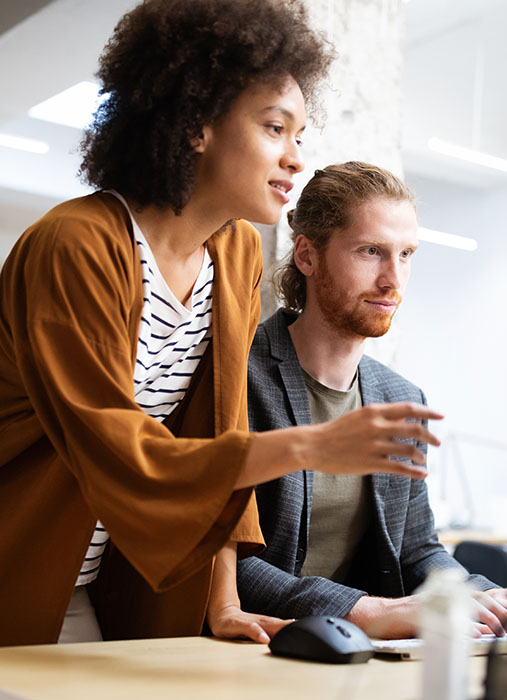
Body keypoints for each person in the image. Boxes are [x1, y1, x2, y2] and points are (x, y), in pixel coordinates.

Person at [0, 2, 442, 647]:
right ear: (196, 124)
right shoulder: (76, 244)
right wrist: (309, 445)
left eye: (298, 135)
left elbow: (217, 428)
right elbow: (118, 453)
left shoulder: (232, 252)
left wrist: (226, 604)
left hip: (103, 576)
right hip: (20, 557)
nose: (294, 159)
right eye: (273, 128)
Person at [207, 163, 507, 643]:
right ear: (307, 256)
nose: (394, 279)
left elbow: (416, 551)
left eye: (407, 254)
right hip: (258, 645)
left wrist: (482, 597)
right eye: (372, 251)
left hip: (354, 654)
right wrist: (363, 609)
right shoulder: (238, 377)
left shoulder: (401, 397)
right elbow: (223, 560)